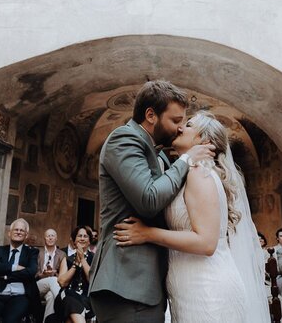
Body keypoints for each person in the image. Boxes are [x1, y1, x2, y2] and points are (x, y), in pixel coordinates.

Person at [113, 111, 270, 322]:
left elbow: (206, 243)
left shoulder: (200, 175)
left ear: (203, 140)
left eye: (188, 125)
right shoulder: (190, 173)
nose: (179, 128)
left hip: (208, 290)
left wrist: (147, 233)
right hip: (189, 288)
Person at [88, 80, 215, 322]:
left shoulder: (158, 153)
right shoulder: (123, 139)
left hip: (149, 286)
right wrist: (186, 160)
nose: (180, 128)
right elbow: (148, 199)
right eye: (176, 120)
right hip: (126, 283)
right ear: (151, 115)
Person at [0, 218, 40, 323]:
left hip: (20, 296)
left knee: (11, 320)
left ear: (26, 235)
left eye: (22, 230)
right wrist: (14, 267)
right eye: (16, 230)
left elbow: (31, 272)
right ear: (9, 233)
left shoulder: (32, 252)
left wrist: (4, 274)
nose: (18, 232)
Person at [47, 226, 94, 323]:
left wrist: (83, 260)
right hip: (66, 297)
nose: (82, 238)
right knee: (69, 295)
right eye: (79, 236)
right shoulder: (67, 259)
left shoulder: (95, 259)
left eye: (85, 236)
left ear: (89, 241)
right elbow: (62, 282)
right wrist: (75, 264)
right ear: (74, 241)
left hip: (87, 299)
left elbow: (92, 280)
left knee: (70, 317)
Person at [36, 229, 66, 321]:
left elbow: (62, 275)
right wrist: (43, 274)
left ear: (56, 238)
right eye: (48, 236)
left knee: (51, 297)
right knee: (53, 280)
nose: (50, 238)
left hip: (53, 288)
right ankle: (64, 300)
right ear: (44, 238)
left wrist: (53, 273)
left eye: (52, 235)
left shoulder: (61, 254)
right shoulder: (37, 252)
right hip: (38, 286)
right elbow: (32, 273)